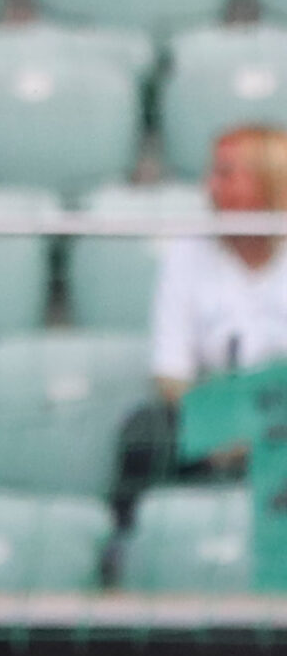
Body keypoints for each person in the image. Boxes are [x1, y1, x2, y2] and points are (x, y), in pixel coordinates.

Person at [113, 125, 287, 490]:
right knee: (147, 432)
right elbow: (171, 372)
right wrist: (219, 428)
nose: (210, 188)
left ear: (271, 182)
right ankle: (129, 538)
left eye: (226, 175)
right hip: (213, 412)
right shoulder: (187, 253)